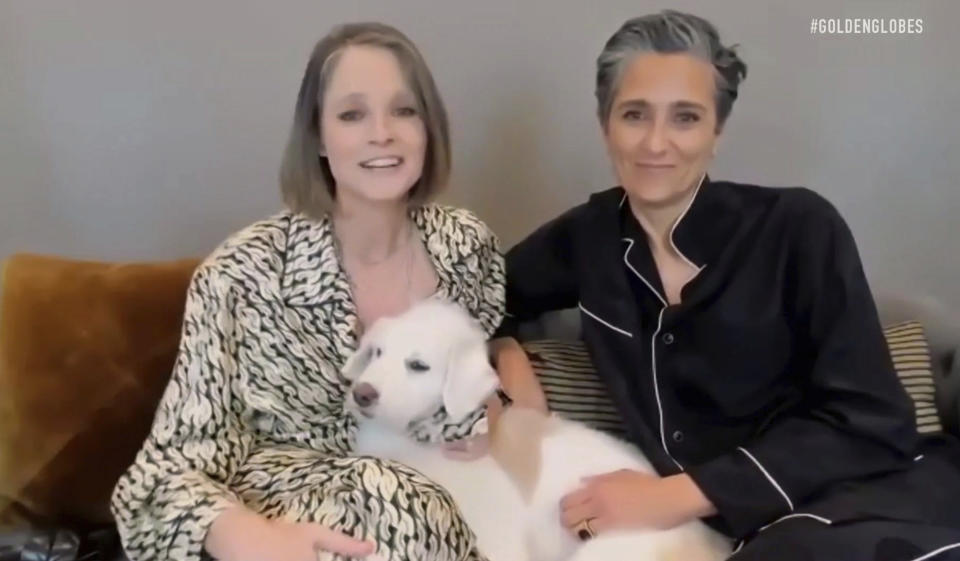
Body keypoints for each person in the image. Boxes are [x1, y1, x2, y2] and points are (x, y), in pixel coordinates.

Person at [492, 10, 960, 560]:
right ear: (605, 125)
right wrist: (507, 359)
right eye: (634, 114)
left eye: (686, 118)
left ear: (717, 132)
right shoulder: (586, 238)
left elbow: (874, 422)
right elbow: (476, 293)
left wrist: (677, 495)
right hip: (747, 536)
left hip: (877, 498)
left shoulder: (799, 226)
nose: (656, 143)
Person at [110, 22, 504, 561]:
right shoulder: (241, 273)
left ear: (428, 127)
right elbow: (163, 477)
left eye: (404, 110)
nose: (382, 133)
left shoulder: (467, 248)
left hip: (450, 515)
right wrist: (249, 539)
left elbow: (488, 365)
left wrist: (508, 404)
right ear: (318, 136)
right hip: (288, 527)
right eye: (352, 114)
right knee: (396, 502)